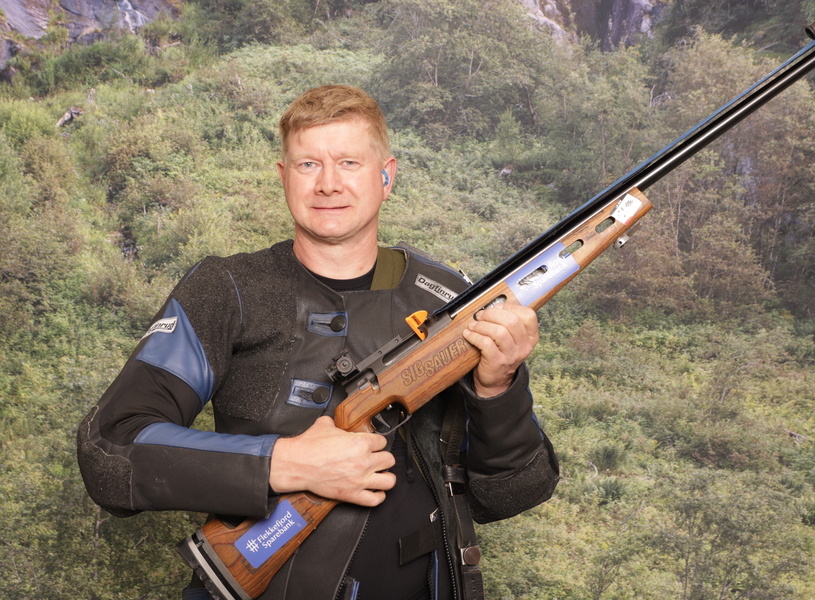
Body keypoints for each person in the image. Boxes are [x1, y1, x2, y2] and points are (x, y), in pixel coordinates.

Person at [77, 84, 559, 600]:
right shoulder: (227, 289)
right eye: (308, 165)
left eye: (349, 162)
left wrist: (498, 389)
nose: (328, 184)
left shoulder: (449, 298)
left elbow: (509, 494)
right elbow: (109, 451)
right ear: (284, 176)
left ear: (386, 176)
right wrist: (286, 462)